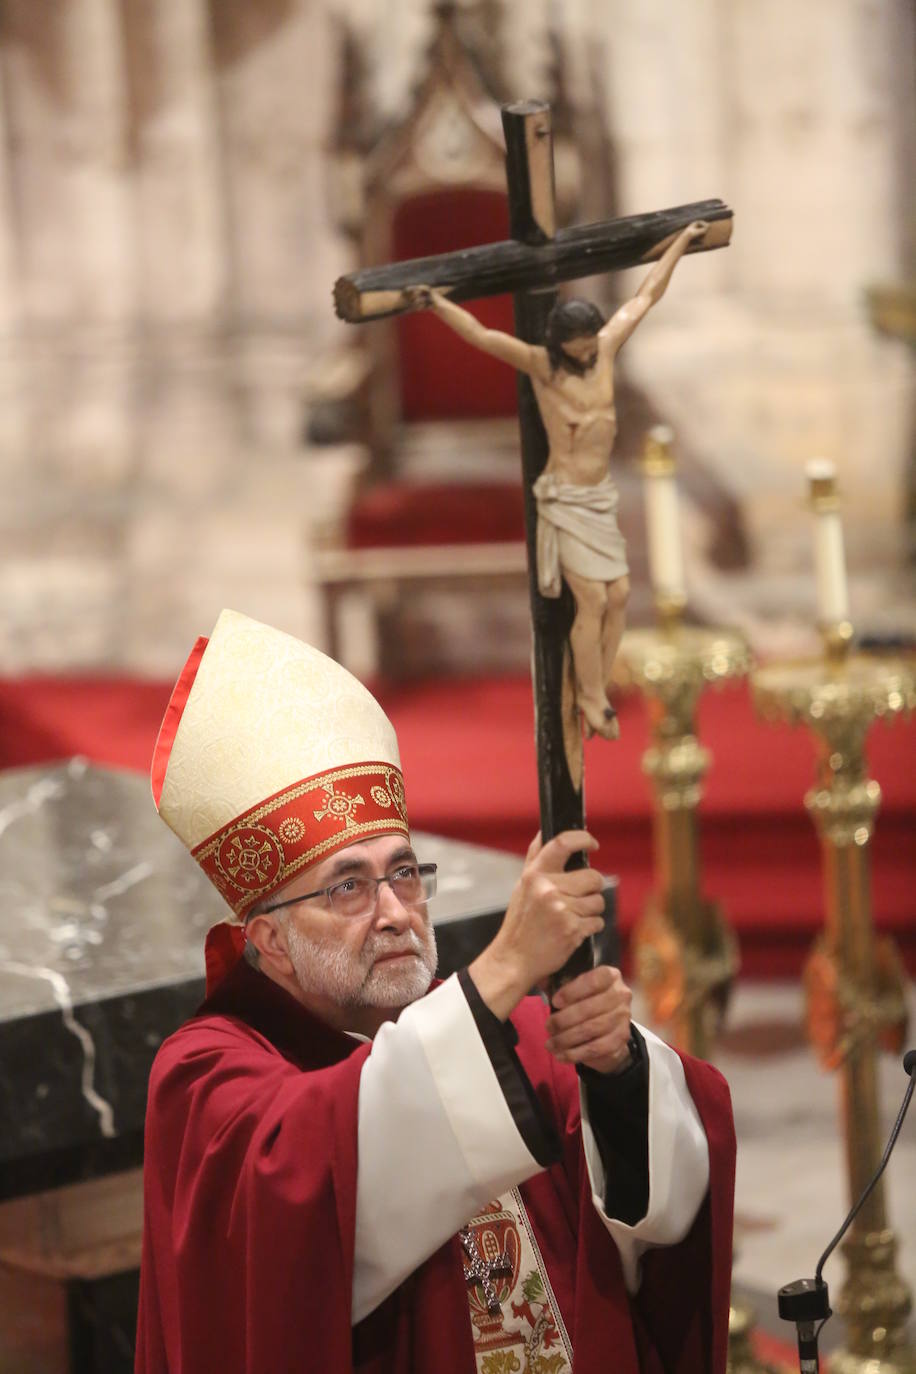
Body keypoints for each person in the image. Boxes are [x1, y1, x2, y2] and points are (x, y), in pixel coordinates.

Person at [136, 608, 735, 1374]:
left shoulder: (505, 1031)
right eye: (347, 886)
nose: (394, 913)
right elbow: (308, 1185)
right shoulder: (205, 1073)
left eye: (404, 872)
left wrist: (617, 1071)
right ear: (271, 942)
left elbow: (670, 1190)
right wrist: (506, 965)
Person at [403, 220, 708, 740]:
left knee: (621, 595)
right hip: (565, 497)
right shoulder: (544, 368)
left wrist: (680, 242)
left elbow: (644, 297)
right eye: (580, 346)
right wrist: (438, 304)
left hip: (597, 496)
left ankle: (599, 682)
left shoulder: (606, 351)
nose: (589, 352)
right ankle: (589, 695)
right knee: (590, 599)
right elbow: (485, 337)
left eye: (592, 342)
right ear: (562, 343)